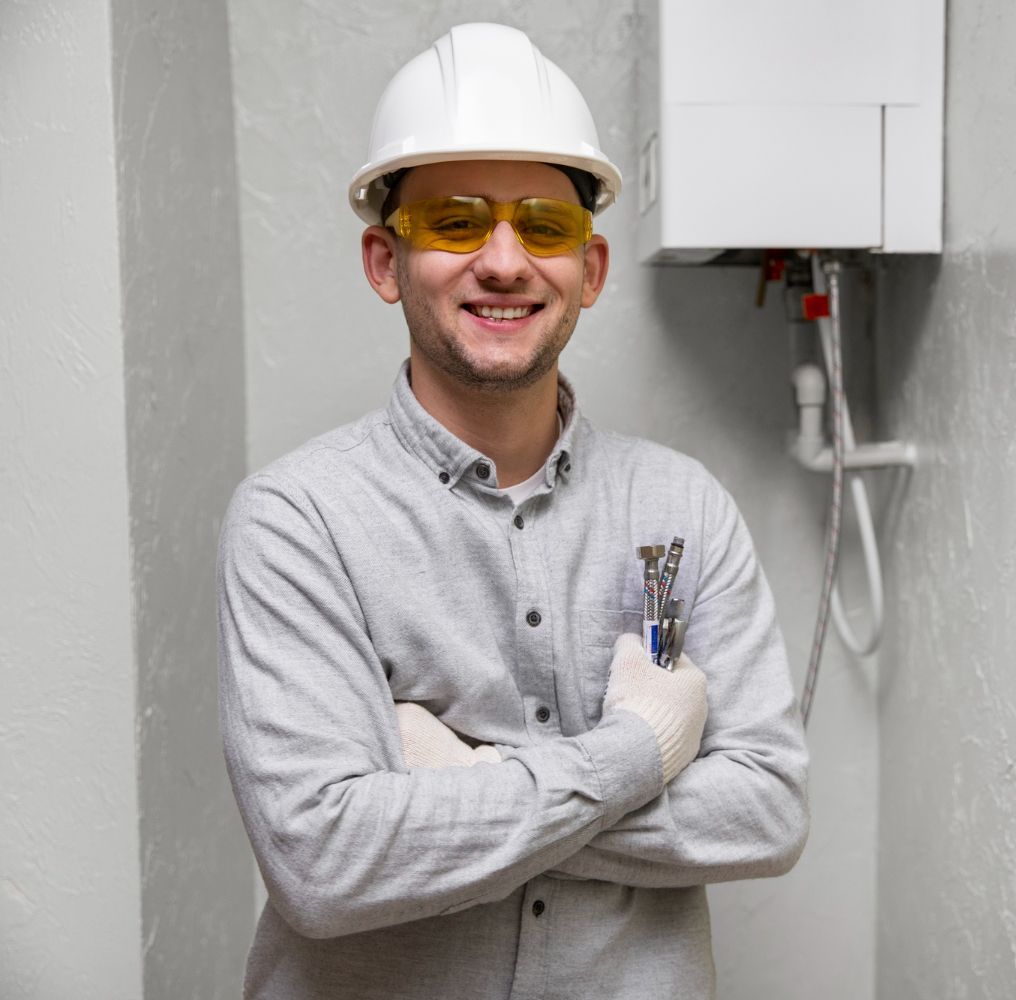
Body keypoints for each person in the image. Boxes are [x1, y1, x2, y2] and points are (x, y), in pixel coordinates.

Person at [217, 22, 809, 999]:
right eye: (455, 222)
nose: (503, 261)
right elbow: (323, 862)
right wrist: (642, 751)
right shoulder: (295, 521)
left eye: (544, 226)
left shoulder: (682, 510)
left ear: (591, 269)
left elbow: (768, 808)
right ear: (382, 260)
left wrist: (459, 790)